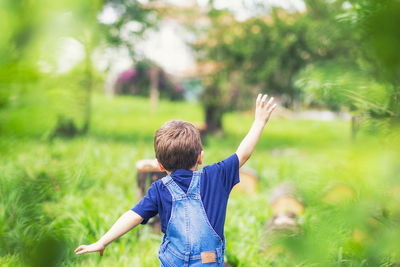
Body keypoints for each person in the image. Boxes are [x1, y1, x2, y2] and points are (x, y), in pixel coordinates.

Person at [75, 94, 276, 266]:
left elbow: (133, 215)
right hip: (208, 261)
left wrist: (103, 241)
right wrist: (259, 122)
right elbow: (243, 154)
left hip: (173, 262)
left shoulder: (159, 189)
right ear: (200, 156)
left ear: (160, 165)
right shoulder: (216, 176)